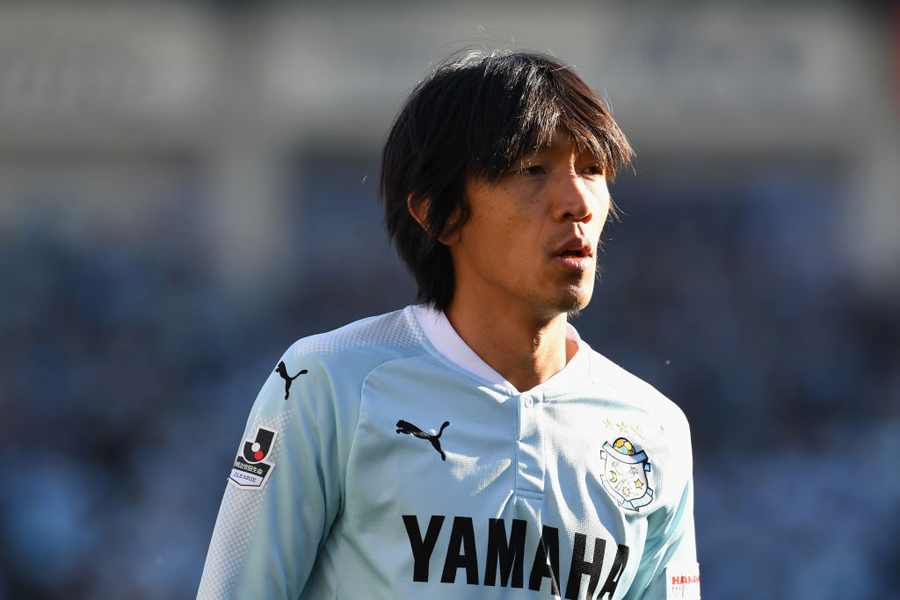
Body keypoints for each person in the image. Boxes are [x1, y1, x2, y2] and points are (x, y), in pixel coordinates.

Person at [197, 49, 700, 600]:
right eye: (532, 169)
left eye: (593, 169)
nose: (577, 201)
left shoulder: (653, 429)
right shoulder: (329, 383)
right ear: (438, 212)